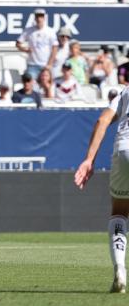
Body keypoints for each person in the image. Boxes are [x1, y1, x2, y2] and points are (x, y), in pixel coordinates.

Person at [74, 86, 129, 293]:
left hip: (124, 148)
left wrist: (89, 159)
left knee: (120, 212)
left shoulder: (125, 91)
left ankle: (120, 269)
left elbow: (102, 121)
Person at [16, 8, 58, 80]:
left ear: (44, 18)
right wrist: (25, 49)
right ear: (35, 18)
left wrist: (50, 64)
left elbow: (55, 48)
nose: (39, 19)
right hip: (32, 64)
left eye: (41, 17)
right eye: (38, 17)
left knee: (46, 86)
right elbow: (18, 43)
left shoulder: (50, 31)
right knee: (31, 85)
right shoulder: (29, 30)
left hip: (45, 64)